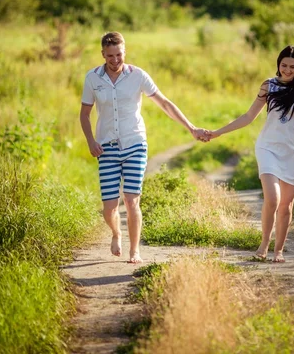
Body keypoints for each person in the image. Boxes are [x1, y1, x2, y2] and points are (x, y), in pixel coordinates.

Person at [80, 32, 206, 264]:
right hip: (105, 148)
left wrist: (191, 127)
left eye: (119, 54)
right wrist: (90, 141)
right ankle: (116, 233)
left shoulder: (137, 75)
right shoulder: (92, 78)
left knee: (131, 200)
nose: (115, 60)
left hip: (135, 143)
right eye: (110, 56)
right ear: (102, 54)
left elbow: (165, 103)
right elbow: (85, 114)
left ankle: (134, 250)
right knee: (109, 208)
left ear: (124, 52)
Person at [205, 45, 294, 262]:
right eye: (284, 65)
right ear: (278, 65)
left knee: (286, 206)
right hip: (268, 147)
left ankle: (279, 250)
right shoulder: (269, 86)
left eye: (292, 66)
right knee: (272, 199)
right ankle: (264, 244)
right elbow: (248, 116)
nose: (287, 70)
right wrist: (218, 133)